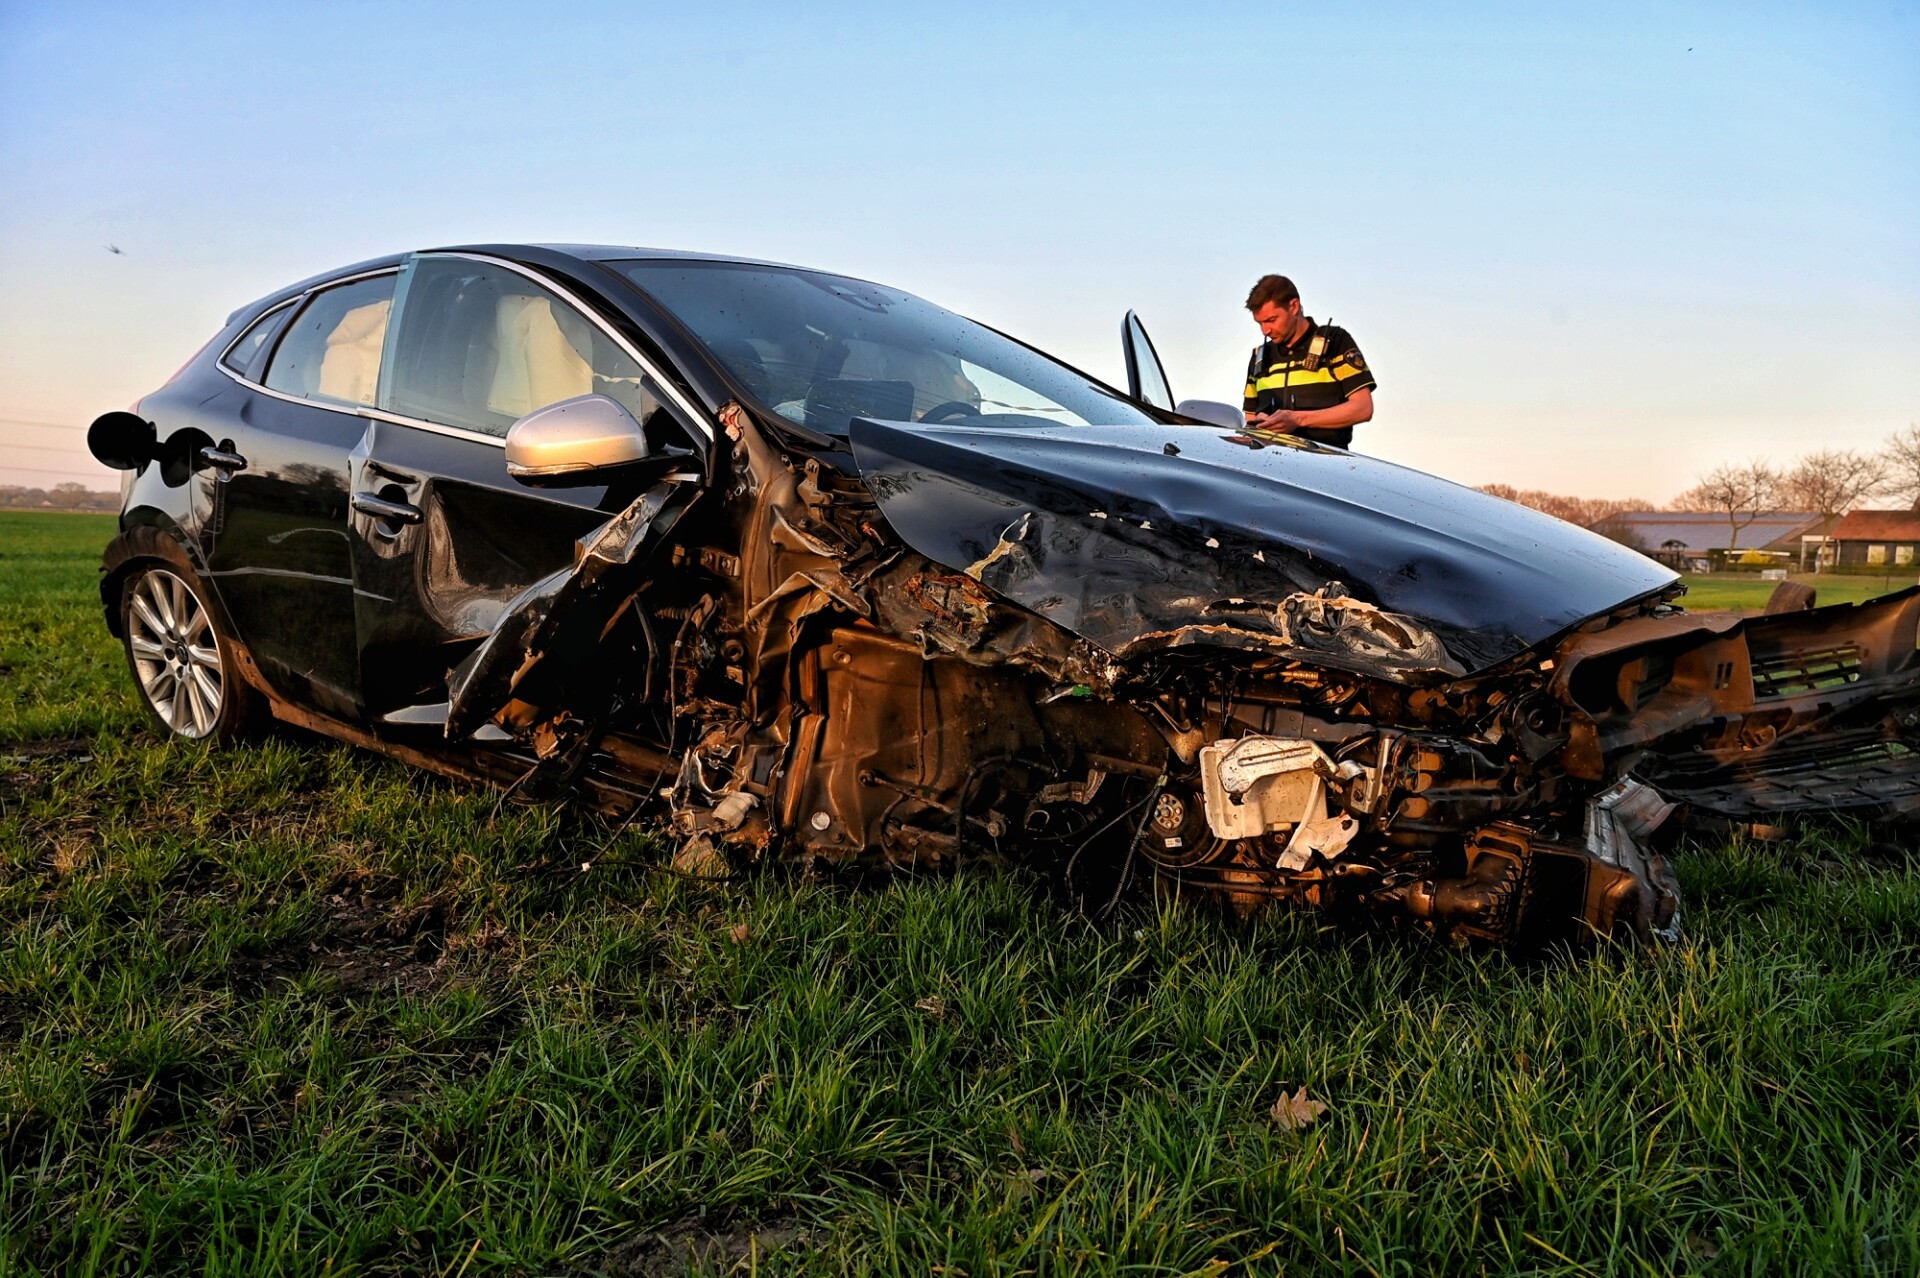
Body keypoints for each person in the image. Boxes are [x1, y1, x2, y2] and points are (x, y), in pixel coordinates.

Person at [1241, 274, 1375, 448]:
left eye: (1271, 320)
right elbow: (1250, 417)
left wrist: (1297, 419)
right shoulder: (1260, 357)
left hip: (1326, 465)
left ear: (1294, 306)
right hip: (1271, 466)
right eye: (1260, 323)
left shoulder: (1335, 342)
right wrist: (1259, 424)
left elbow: (1363, 408)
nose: (1265, 330)